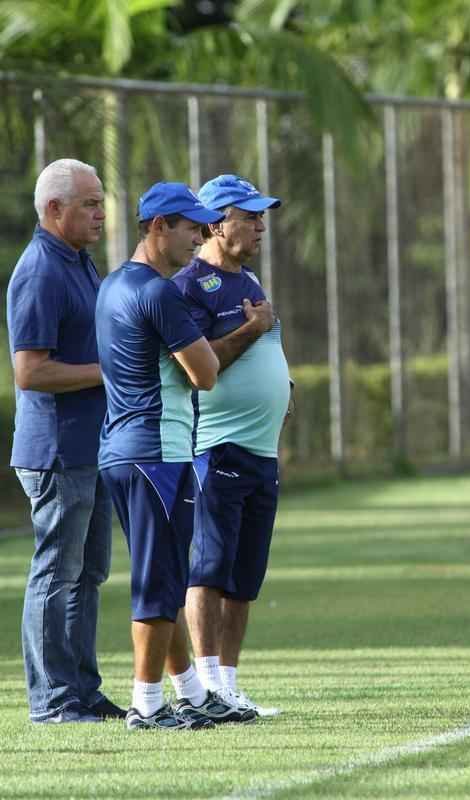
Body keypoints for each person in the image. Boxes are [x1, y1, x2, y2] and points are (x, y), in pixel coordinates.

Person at [96, 182, 254, 731]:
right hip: (157, 451)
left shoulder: (113, 284)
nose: (199, 236)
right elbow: (205, 373)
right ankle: (146, 704)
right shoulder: (161, 293)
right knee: (159, 582)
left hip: (120, 450)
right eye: (190, 226)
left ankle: (188, 692)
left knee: (159, 573)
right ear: (159, 225)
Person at [6, 158, 124, 723]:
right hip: (57, 451)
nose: (101, 213)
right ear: (54, 209)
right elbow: (29, 372)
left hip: (92, 445)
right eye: (89, 204)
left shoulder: (79, 261)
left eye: (100, 201)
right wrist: (108, 372)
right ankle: (52, 700)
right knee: (57, 569)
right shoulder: (39, 271)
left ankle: (81, 689)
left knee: (89, 572)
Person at [173, 174, 292, 717]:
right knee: (210, 570)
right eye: (249, 216)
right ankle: (209, 685)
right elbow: (203, 366)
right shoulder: (189, 287)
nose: (261, 225)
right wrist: (253, 332)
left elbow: (267, 342)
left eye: (262, 215)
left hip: (261, 452)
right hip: (216, 447)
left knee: (245, 577)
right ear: (217, 224)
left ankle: (230, 684)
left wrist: (282, 388)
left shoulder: (252, 281)